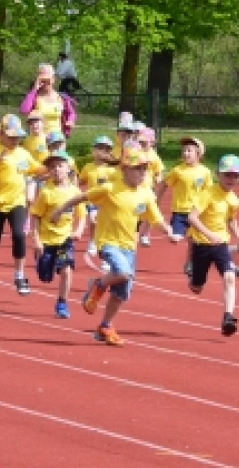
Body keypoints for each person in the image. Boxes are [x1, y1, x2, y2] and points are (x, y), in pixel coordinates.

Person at [50, 146, 179, 347]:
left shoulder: (146, 194)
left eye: (145, 169)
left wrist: (169, 231)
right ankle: (98, 285)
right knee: (123, 272)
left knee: (121, 293)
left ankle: (105, 326)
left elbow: (156, 218)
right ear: (124, 169)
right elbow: (81, 197)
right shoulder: (110, 188)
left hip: (129, 247)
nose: (142, 173)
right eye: (138, 169)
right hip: (107, 242)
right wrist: (59, 211)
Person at [0, 114, 48, 298]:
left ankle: (20, 275)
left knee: (19, 235)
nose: (15, 140)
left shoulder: (23, 153)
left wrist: (56, 168)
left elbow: (39, 169)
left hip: (17, 202)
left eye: (18, 137)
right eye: (11, 137)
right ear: (2, 135)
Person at [187, 155, 239, 336]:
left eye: (235, 176)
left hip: (221, 244)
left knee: (230, 277)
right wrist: (208, 234)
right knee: (196, 288)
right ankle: (192, 275)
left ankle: (228, 316)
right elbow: (192, 217)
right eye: (227, 175)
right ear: (218, 175)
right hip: (201, 245)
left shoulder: (234, 200)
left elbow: (231, 220)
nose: (231, 179)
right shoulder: (207, 194)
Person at [30, 151, 87, 319]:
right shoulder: (46, 192)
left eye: (59, 166)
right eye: (52, 167)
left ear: (68, 168)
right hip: (47, 240)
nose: (56, 170)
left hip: (65, 240)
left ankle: (62, 302)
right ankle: (41, 260)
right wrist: (36, 240)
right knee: (45, 276)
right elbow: (35, 216)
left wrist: (79, 230)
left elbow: (81, 215)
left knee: (66, 270)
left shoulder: (75, 192)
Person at [156, 136, 213, 275]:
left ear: (199, 154)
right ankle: (168, 229)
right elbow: (164, 184)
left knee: (194, 241)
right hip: (179, 212)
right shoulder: (178, 171)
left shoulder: (205, 172)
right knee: (175, 238)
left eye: (189, 150)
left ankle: (189, 263)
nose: (185, 153)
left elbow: (209, 192)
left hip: (196, 213)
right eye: (184, 151)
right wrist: (157, 200)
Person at [79, 135, 116, 256]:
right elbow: (81, 181)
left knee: (107, 224)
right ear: (93, 151)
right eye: (99, 148)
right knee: (93, 221)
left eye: (106, 149)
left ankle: (104, 244)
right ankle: (92, 242)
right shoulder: (88, 167)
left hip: (107, 202)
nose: (102, 152)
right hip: (92, 201)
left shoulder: (112, 170)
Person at [20, 63, 76, 137]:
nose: (45, 83)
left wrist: (70, 121)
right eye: (43, 80)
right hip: (38, 140)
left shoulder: (61, 98)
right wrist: (34, 89)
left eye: (48, 79)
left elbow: (71, 113)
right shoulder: (34, 96)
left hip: (57, 141)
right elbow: (24, 111)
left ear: (53, 79)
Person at [136, 127, 164, 246]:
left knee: (150, 212)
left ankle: (146, 234)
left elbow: (160, 170)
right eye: (140, 142)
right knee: (137, 212)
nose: (142, 144)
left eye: (145, 142)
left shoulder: (154, 156)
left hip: (149, 189)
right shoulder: (136, 153)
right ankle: (135, 231)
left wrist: (159, 177)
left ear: (152, 142)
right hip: (136, 188)